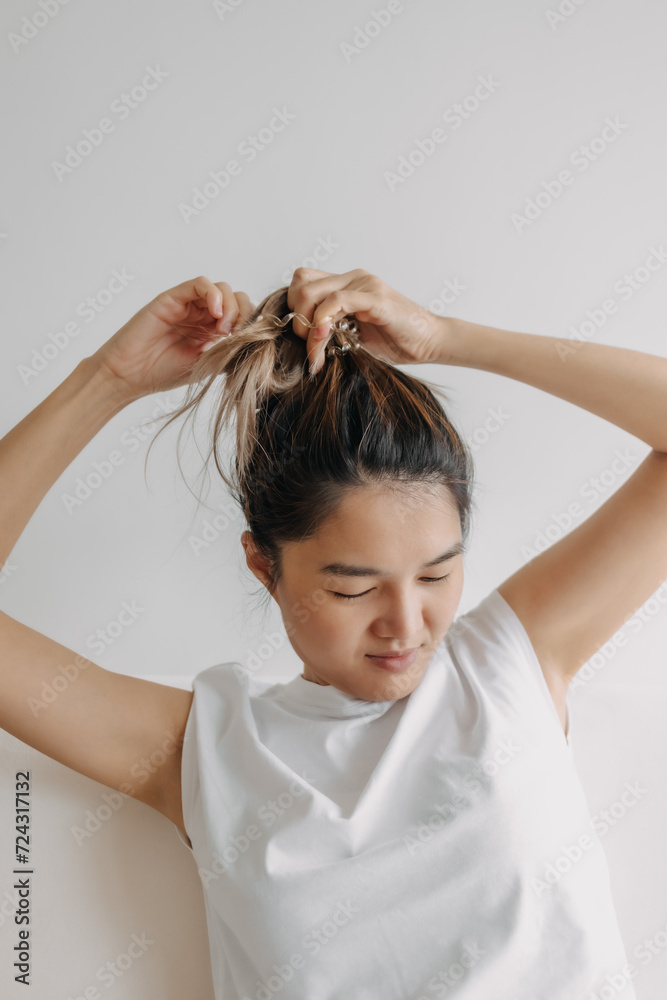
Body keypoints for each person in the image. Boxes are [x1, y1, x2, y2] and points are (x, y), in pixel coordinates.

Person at [2, 266, 664, 999]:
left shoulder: (507, 666)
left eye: (437, 575)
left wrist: (446, 339)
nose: (406, 625)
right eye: (353, 588)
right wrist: (107, 381)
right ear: (264, 565)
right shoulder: (207, 749)